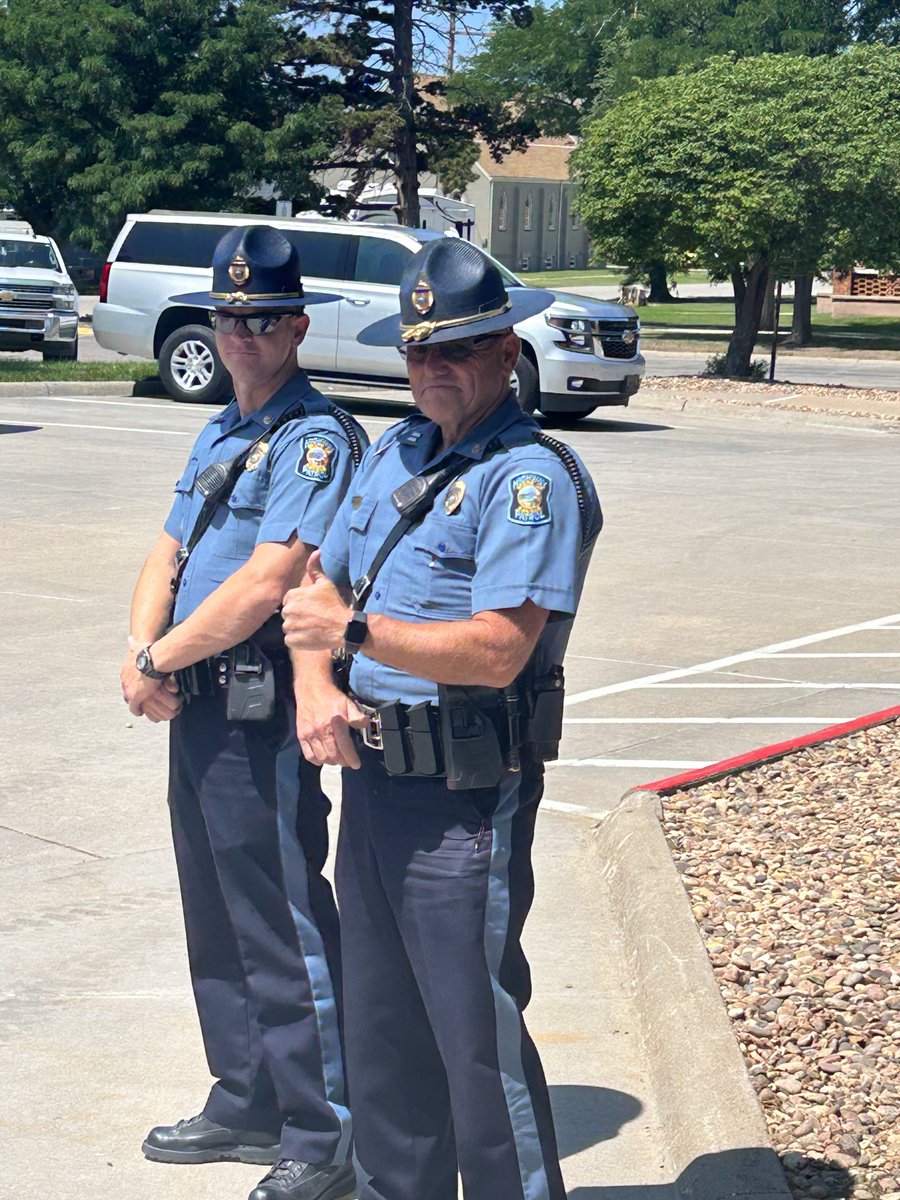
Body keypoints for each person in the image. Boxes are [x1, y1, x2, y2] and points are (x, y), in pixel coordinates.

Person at [281, 236, 602, 1200]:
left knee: (476, 1045)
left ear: (507, 352)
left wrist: (358, 636)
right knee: (380, 1031)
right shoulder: (396, 450)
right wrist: (316, 688)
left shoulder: (527, 478)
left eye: (457, 350)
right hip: (375, 781)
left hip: (468, 798)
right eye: (421, 352)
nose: (433, 370)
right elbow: (314, 586)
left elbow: (500, 647)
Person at [119, 225, 366, 1200]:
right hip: (195, 699)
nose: (244, 336)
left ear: (297, 324)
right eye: (230, 319)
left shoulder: (315, 437)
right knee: (214, 910)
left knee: (277, 915)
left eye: (263, 319)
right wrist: (143, 656)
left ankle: (324, 1127)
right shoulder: (219, 429)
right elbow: (164, 556)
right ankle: (246, 1096)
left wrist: (159, 659)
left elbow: (268, 584)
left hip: (256, 705)